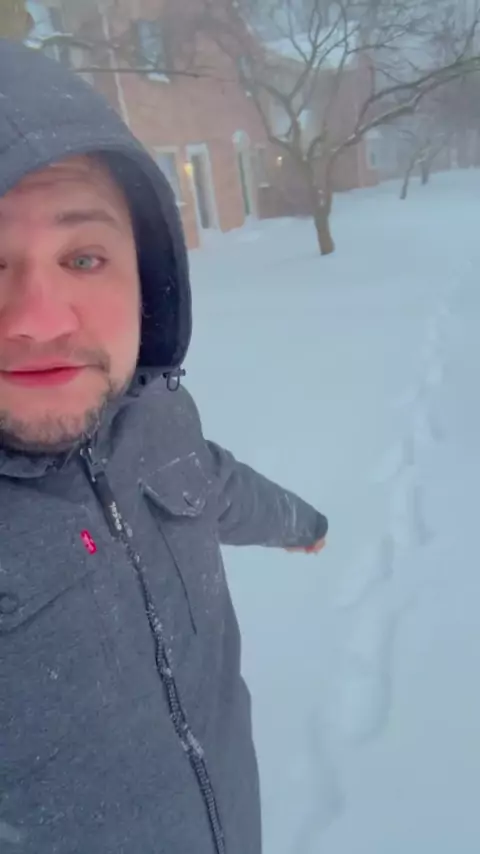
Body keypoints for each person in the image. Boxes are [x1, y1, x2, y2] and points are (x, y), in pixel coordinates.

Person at [0, 40, 328, 854]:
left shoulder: (151, 415)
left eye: (84, 257)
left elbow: (210, 483)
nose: (38, 318)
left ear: (146, 280)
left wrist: (300, 522)